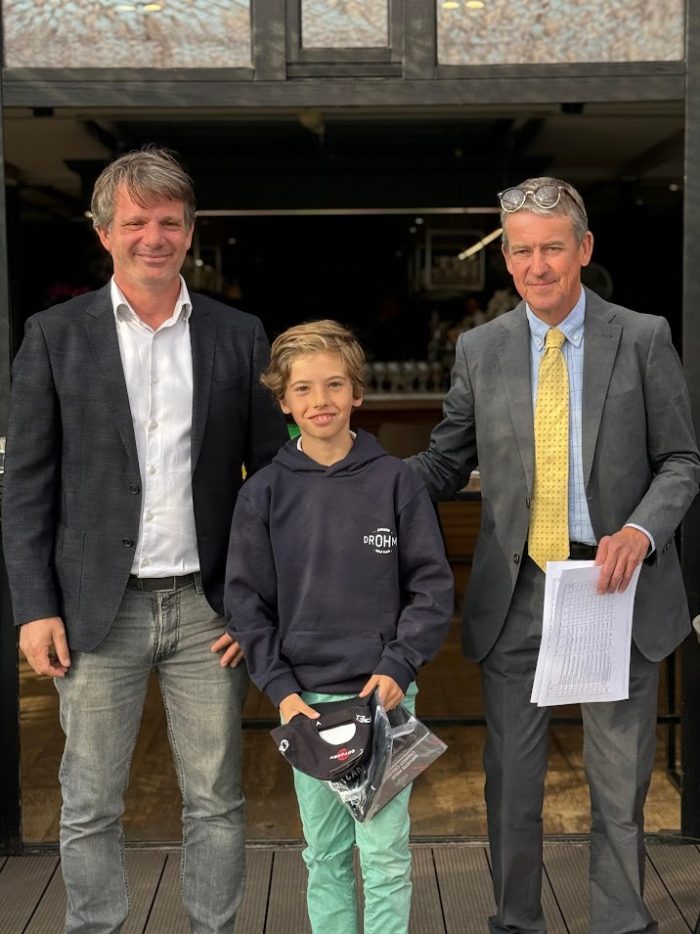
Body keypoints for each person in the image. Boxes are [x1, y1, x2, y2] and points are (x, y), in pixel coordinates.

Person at [2, 146, 289, 934]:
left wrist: (257, 602)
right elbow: (26, 485)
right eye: (135, 222)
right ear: (104, 233)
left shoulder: (239, 335)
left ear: (190, 231)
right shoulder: (55, 336)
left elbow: (271, 484)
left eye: (168, 221)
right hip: (96, 610)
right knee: (90, 799)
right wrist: (34, 607)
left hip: (209, 611)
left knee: (216, 798)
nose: (153, 237)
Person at [407, 177, 700, 934]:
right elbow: (445, 463)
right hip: (518, 593)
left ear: (584, 248)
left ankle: (621, 925)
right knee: (511, 785)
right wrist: (349, 480)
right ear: (506, 258)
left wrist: (640, 531)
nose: (537, 265)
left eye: (553, 248)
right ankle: (515, 923)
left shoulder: (642, 337)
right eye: (522, 251)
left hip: (614, 585)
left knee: (619, 786)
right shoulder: (480, 348)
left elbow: (681, 461)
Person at [223, 320, 454, 934]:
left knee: (384, 855)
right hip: (306, 704)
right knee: (324, 854)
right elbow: (246, 604)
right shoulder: (264, 493)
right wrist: (281, 690)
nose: (319, 400)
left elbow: (432, 588)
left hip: (383, 698)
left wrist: (399, 665)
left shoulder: (396, 482)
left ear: (357, 392)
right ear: (283, 401)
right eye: (302, 389)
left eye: (333, 384)